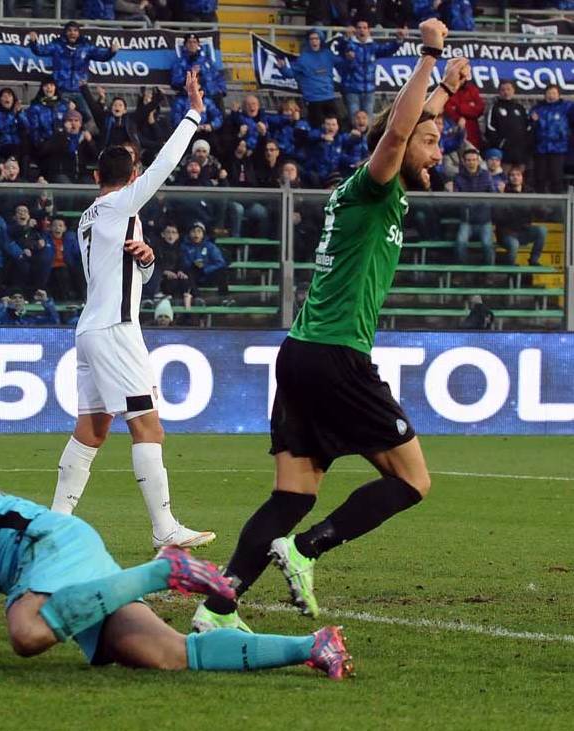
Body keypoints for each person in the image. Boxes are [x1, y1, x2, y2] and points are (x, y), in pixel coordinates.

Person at [192, 23, 465, 634]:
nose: (438, 148)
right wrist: (429, 55)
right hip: (338, 356)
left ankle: (215, 610)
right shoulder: (375, 185)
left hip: (302, 353)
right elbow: (398, 130)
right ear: (395, 148)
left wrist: (444, 88)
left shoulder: (364, 191)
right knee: (414, 480)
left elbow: (411, 125)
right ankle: (306, 550)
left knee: (291, 495)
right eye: (432, 139)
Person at [0, 407, 354, 680]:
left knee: (26, 632)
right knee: (165, 655)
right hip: (64, 549)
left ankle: (164, 569)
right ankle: (311, 646)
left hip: (41, 549)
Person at [49, 69, 213, 550]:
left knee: (92, 429)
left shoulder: (89, 217)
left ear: (97, 176)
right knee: (148, 426)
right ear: (132, 176)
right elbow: (166, 164)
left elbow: (121, 273)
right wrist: (193, 115)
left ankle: (54, 524)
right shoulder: (124, 204)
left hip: (90, 328)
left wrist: (147, 259)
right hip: (116, 329)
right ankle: (165, 527)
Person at [26, 22, 115, 125]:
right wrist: (34, 42)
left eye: (75, 30)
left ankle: (79, 134)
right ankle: (65, 136)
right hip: (61, 90)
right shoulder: (57, 46)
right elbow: (40, 50)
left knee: (87, 116)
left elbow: (102, 56)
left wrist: (111, 52)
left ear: (78, 33)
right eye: (69, 30)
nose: (72, 33)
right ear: (65, 32)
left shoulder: (86, 47)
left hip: (80, 90)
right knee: (61, 116)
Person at [335, 21, 405, 120]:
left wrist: (399, 40)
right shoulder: (348, 45)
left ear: (369, 31)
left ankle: (367, 136)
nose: (362, 30)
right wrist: (345, 38)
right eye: (359, 27)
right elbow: (339, 48)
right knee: (354, 120)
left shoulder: (372, 46)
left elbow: (387, 50)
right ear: (355, 30)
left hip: (369, 90)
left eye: (364, 28)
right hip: (352, 90)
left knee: (369, 121)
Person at [277, 28, 339, 128]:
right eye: (311, 39)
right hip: (313, 99)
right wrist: (283, 68)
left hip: (329, 96)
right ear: (308, 41)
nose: (314, 41)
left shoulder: (328, 54)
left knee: (336, 127)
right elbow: (291, 73)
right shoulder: (303, 58)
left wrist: (349, 54)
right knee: (318, 127)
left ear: (320, 40)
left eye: (316, 38)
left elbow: (343, 63)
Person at [482, 81, 530, 168]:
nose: (506, 92)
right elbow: (489, 128)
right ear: (499, 92)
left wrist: (524, 143)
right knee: (504, 177)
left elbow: (527, 126)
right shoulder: (495, 108)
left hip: (520, 151)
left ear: (513, 91)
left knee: (519, 177)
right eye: (503, 90)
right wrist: (501, 143)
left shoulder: (520, 108)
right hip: (504, 151)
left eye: (508, 89)